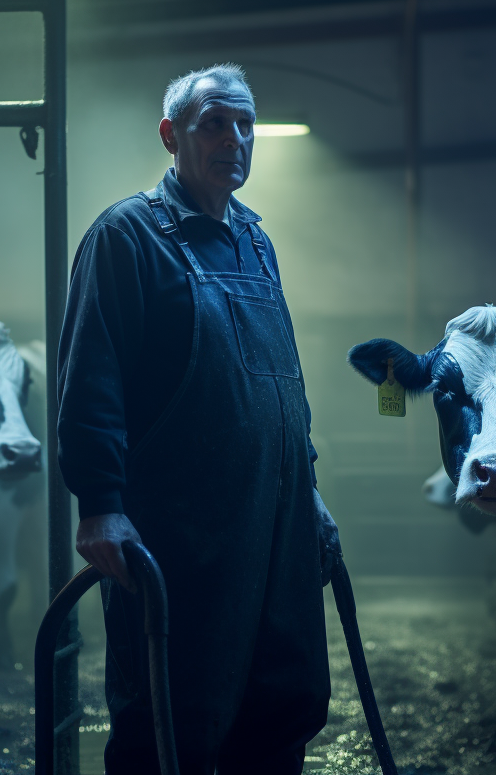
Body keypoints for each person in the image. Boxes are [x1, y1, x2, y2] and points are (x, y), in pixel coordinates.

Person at [57, 63, 339, 774]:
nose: (235, 139)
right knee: (172, 716)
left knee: (280, 705)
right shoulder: (126, 238)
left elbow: (286, 389)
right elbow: (91, 380)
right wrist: (99, 506)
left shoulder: (256, 242)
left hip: (274, 529)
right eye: (215, 122)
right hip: (179, 535)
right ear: (170, 134)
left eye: (246, 125)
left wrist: (306, 489)